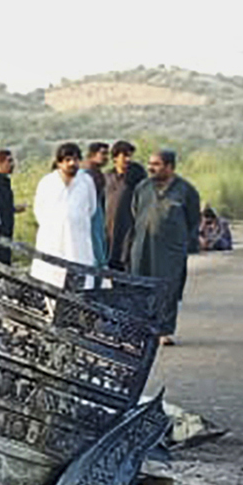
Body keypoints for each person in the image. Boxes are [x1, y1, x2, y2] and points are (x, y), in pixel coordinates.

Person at [129, 148, 201, 345]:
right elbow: (135, 212)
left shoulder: (186, 190)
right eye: (150, 164)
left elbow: (193, 220)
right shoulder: (142, 187)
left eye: (156, 164)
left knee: (168, 290)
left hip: (171, 250)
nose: (151, 168)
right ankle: (143, 329)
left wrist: (186, 245)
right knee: (141, 288)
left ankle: (164, 331)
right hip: (142, 247)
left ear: (170, 167)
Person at [30, 142, 98, 288]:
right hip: (53, 242)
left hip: (78, 242)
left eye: (76, 159)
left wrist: (74, 221)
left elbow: (92, 209)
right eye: (68, 160)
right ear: (59, 162)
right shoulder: (47, 182)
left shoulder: (86, 181)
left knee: (81, 285)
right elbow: (39, 211)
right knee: (50, 280)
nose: (72, 163)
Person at [102, 140, 145, 271]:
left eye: (130, 156)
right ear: (115, 157)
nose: (128, 159)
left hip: (129, 228)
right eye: (124, 156)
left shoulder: (136, 176)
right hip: (109, 229)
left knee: (127, 263)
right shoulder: (107, 177)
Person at [84, 142, 110, 268]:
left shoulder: (97, 173)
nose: (106, 158)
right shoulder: (85, 175)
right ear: (92, 155)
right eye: (103, 154)